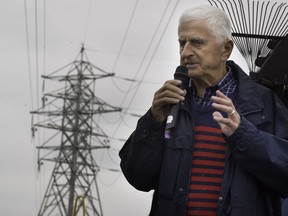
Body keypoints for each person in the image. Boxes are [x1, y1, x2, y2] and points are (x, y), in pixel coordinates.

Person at [119, 5, 288, 216]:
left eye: (197, 43)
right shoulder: (171, 105)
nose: (186, 52)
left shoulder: (263, 103)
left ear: (225, 49)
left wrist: (243, 134)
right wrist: (153, 122)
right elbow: (138, 177)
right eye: (182, 43)